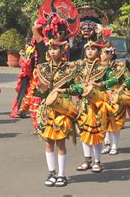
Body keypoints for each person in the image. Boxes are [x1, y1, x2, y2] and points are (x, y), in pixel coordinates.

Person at [35, 35, 83, 187]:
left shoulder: (70, 68)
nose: (52, 51)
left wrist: (66, 89)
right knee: (49, 143)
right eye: (50, 49)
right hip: (47, 110)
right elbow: (37, 90)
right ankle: (52, 172)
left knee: (61, 143)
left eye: (55, 48)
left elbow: (79, 88)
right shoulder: (42, 68)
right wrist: (39, 89)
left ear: (63, 50)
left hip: (62, 109)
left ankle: (62, 174)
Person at [76, 40, 112, 173]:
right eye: (88, 49)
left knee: (97, 133)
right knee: (84, 132)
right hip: (82, 104)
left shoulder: (104, 67)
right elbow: (73, 81)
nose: (90, 51)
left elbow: (113, 80)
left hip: (97, 104)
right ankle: (87, 160)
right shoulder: (79, 66)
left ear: (98, 52)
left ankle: (97, 161)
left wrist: (99, 85)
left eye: (93, 49)